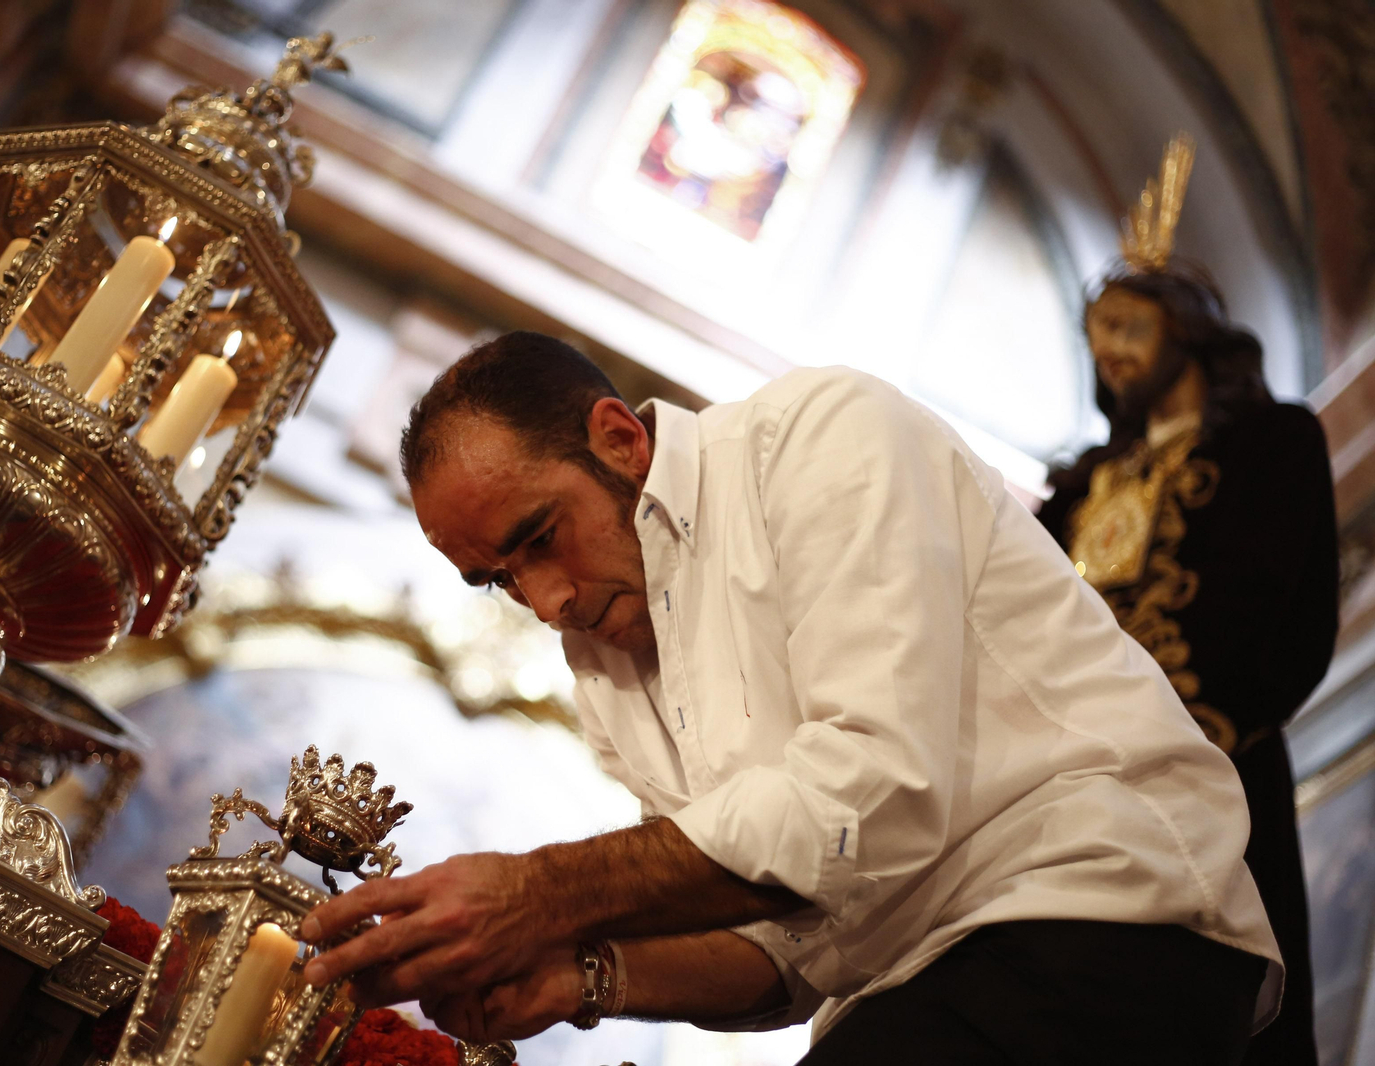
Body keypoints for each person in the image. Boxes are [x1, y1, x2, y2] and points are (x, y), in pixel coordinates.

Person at [296, 330, 1282, 1065]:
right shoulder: (604, 659)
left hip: (1094, 917)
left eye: (539, 535)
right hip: (906, 991)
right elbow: (787, 949)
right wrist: (582, 972)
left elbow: (870, 794)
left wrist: (537, 892)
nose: (544, 600)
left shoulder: (817, 436)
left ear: (616, 439)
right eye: (497, 579)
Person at [1037, 264, 1338, 1065]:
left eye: (1129, 327)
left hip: (1210, 762)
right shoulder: (1073, 492)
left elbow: (1287, 612)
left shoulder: (1272, 443)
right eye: (1098, 336)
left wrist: (1194, 729)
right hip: (1060, 782)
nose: (1112, 353)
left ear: (1190, 330)